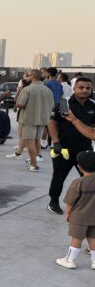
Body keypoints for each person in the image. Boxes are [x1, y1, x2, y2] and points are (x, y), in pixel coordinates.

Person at [47, 77, 95, 214]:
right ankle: (54, 202)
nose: (84, 90)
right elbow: (52, 123)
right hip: (63, 148)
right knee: (59, 176)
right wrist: (56, 142)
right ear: (74, 89)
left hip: (85, 149)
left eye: (87, 88)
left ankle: (87, 205)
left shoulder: (93, 105)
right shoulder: (64, 103)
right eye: (81, 87)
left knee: (90, 179)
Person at [54, 151, 95, 269]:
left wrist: (68, 213)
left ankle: (70, 260)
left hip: (79, 216)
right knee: (93, 238)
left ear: (79, 167)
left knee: (77, 238)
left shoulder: (78, 182)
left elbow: (70, 201)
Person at [15, 69, 55, 172]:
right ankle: (37, 157)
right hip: (42, 120)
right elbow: (52, 105)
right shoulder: (47, 90)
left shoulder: (28, 89)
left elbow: (20, 104)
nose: (26, 78)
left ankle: (33, 165)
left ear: (32, 76)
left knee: (30, 143)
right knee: (37, 140)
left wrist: (16, 104)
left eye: (28, 76)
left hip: (29, 119)